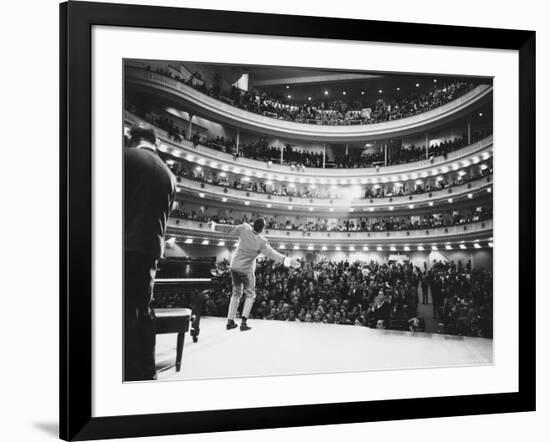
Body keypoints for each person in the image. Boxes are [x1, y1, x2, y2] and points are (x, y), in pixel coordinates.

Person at [124, 122, 176, 381]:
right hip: (150, 249)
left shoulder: (126, 156)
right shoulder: (169, 174)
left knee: (120, 309)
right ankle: (145, 370)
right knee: (141, 310)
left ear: (133, 138)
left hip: (123, 244)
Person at [208, 217, 300, 331]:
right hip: (246, 270)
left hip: (234, 266)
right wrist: (289, 261)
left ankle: (230, 321)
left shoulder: (244, 228)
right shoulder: (262, 241)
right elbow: (273, 254)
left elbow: (229, 229)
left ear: (253, 224)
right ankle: (243, 322)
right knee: (250, 295)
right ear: (262, 229)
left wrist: (214, 226)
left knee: (236, 293)